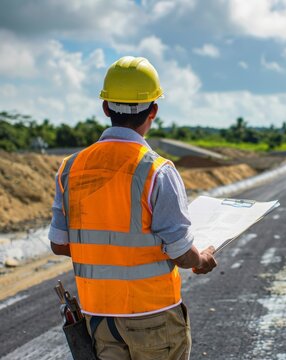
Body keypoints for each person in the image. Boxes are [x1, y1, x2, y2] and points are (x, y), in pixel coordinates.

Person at [49, 56, 217, 360]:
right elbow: (180, 253)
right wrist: (200, 258)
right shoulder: (157, 171)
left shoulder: (70, 168)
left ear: (105, 108)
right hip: (153, 315)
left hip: (98, 319)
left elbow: (59, 245)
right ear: (153, 110)